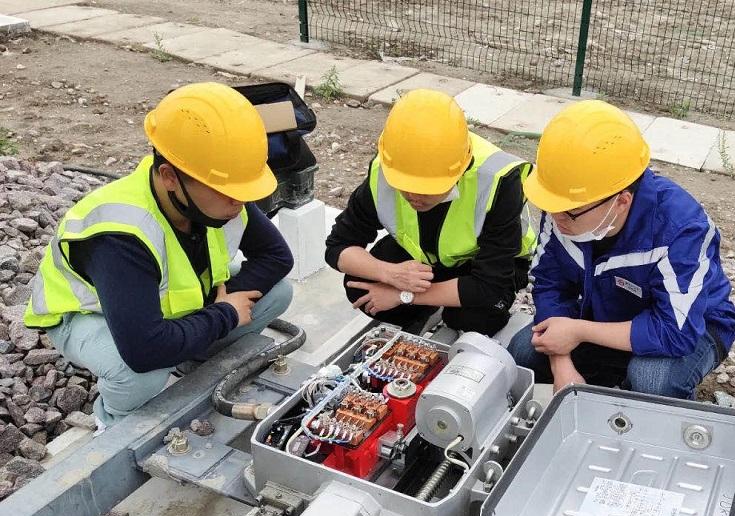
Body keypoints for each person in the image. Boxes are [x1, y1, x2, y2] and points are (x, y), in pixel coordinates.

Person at [24, 82, 294, 427]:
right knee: (140, 374)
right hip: (89, 315)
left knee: (278, 293)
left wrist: (209, 317)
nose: (239, 201)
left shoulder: (217, 194)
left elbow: (276, 257)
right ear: (169, 177)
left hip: (169, 310)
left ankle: (192, 355)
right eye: (228, 191)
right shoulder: (121, 234)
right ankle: (115, 421)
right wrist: (223, 314)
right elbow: (143, 352)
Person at [507, 100, 735, 399]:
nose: (555, 218)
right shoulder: (568, 207)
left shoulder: (680, 228)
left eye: (568, 212)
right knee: (523, 352)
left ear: (621, 202)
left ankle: (661, 407)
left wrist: (578, 331)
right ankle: (609, 376)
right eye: (550, 206)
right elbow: (549, 284)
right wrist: (561, 361)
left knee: (651, 380)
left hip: (694, 326)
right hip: (607, 313)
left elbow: (675, 332)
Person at [325, 89, 535, 336]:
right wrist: (390, 274)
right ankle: (427, 309)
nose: (413, 196)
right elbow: (338, 247)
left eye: (428, 188)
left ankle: (434, 304)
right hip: (427, 258)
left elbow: (490, 284)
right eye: (404, 185)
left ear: (458, 170)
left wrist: (403, 295)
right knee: (360, 287)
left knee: (474, 318)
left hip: (483, 265)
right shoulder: (390, 164)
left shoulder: (498, 180)